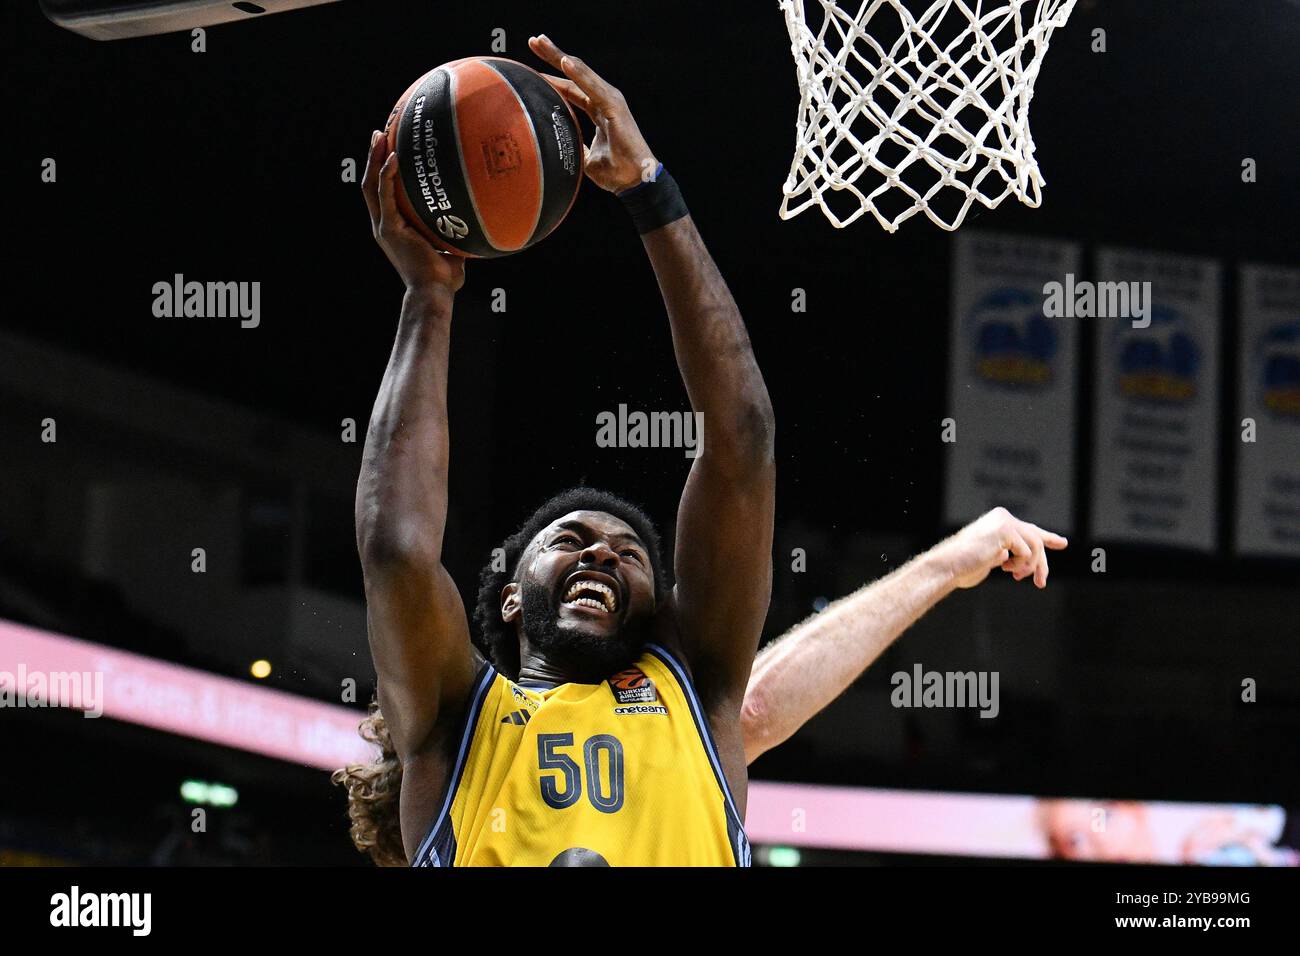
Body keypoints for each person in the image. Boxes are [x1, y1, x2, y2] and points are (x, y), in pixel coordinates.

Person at [348, 35, 774, 866]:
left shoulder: (695, 684)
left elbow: (741, 441)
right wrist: (429, 299)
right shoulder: (455, 719)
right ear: (509, 599)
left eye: (629, 554)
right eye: (572, 541)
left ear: (659, 610)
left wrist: (653, 194)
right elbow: (396, 551)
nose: (604, 556)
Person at [338, 501, 1068, 865]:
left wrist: (947, 563)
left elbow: (751, 706)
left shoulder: (508, 730)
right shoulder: (487, 729)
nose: (600, 559)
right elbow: (751, 709)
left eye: (626, 554)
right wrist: (946, 564)